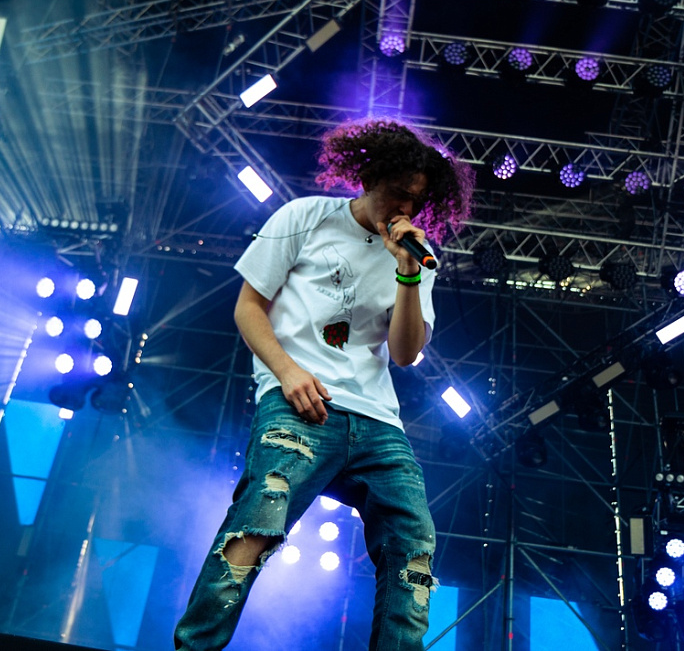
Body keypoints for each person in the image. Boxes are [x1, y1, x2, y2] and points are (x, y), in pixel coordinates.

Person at [174, 118, 473, 651]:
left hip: (378, 423)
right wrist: (287, 372)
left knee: (414, 547)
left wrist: (408, 272)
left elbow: (405, 354)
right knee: (258, 521)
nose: (404, 207)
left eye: (415, 200)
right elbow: (248, 307)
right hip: (300, 404)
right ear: (369, 178)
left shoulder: (416, 257)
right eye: (397, 193)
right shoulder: (305, 216)